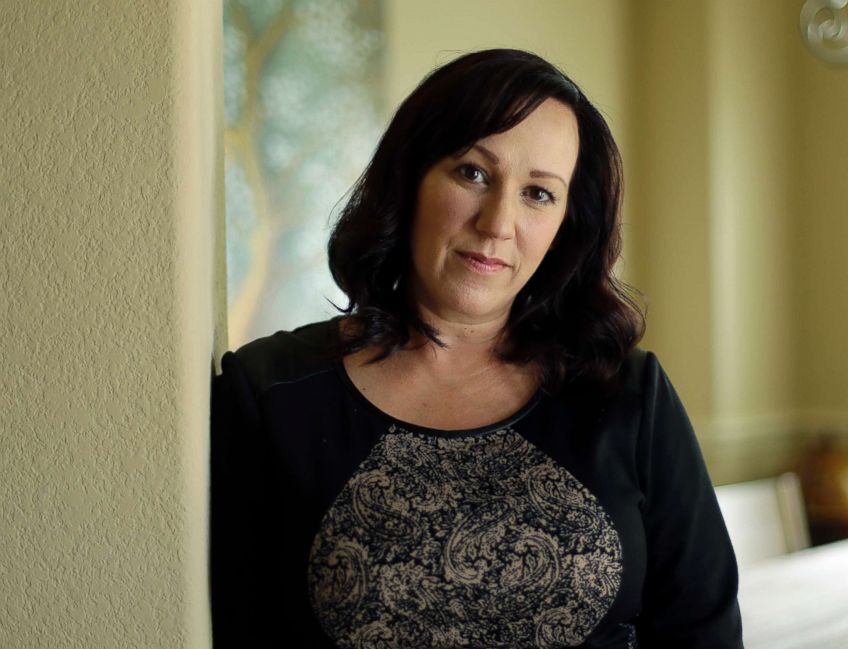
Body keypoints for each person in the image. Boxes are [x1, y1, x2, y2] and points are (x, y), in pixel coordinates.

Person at [211, 48, 742, 648]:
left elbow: (704, 634)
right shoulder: (271, 392)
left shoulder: (627, 394)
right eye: (473, 173)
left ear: (567, 224)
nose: (497, 223)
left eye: (538, 193)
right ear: (410, 177)